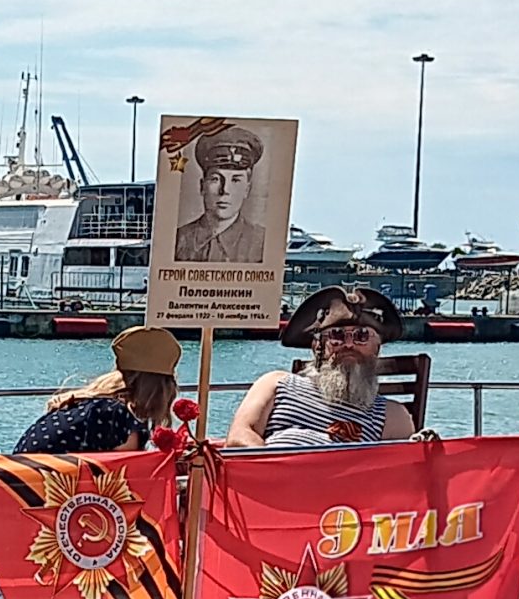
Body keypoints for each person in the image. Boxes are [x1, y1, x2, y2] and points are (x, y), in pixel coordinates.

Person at [227, 287, 417, 448]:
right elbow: (239, 436)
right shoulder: (275, 384)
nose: (349, 344)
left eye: (362, 335)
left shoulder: (392, 416)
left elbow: (401, 472)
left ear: (377, 347)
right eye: (337, 335)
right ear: (318, 346)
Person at [14, 326, 183, 453]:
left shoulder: (85, 406)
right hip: (40, 486)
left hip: (18, 479)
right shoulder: (117, 416)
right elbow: (128, 471)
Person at [173, 127, 266, 263]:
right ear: (202, 186)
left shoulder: (261, 243)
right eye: (215, 179)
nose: (225, 190)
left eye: (235, 180)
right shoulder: (178, 240)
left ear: (247, 189)